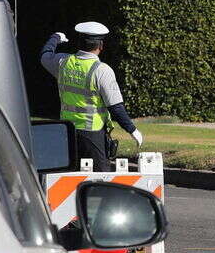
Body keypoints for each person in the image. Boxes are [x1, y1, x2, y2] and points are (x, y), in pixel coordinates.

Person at [40, 22, 143, 171]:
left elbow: (45, 56)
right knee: (99, 179)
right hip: (92, 135)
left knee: (68, 177)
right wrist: (132, 130)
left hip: (66, 131)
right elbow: (115, 107)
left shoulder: (63, 62)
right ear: (101, 46)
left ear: (79, 43)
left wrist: (55, 38)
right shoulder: (102, 71)